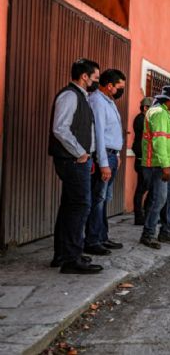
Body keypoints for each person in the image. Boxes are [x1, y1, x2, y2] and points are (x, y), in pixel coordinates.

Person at [48, 58, 103, 274]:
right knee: (81, 205)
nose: (96, 82)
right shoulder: (70, 95)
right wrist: (81, 153)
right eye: (95, 78)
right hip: (72, 160)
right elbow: (60, 128)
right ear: (84, 77)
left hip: (78, 159)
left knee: (70, 206)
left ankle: (63, 255)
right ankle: (72, 258)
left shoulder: (82, 97)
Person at [84, 69, 126, 256]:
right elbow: (99, 134)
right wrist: (103, 163)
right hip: (104, 156)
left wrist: (116, 154)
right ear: (110, 86)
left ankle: (102, 236)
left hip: (111, 155)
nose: (121, 91)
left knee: (103, 199)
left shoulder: (109, 101)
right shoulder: (98, 102)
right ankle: (92, 240)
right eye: (120, 87)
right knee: (97, 199)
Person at [140, 86, 170, 249]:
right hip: (159, 165)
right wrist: (165, 166)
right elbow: (159, 142)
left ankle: (166, 232)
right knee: (158, 199)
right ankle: (148, 234)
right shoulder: (158, 113)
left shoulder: (166, 113)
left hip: (168, 165)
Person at [132, 97, 155, 225]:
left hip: (145, 158)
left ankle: (144, 214)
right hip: (142, 159)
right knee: (142, 188)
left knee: (147, 187)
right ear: (146, 108)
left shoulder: (143, 119)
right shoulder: (141, 120)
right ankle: (140, 216)